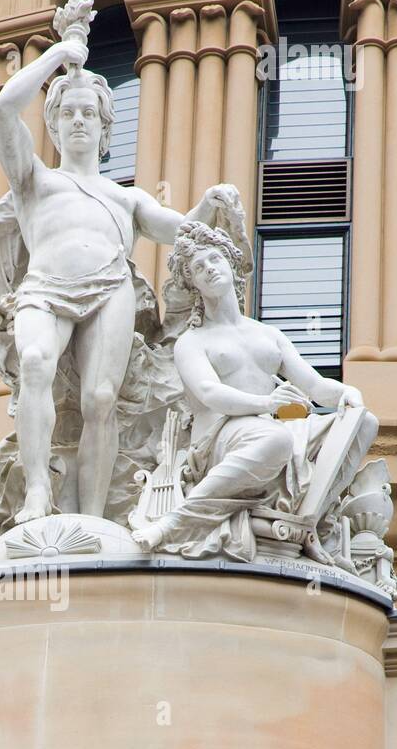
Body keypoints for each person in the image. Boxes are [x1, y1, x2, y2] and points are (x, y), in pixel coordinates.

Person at [0, 30, 244, 525]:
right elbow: (2, 110)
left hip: (109, 289)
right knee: (34, 361)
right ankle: (37, 493)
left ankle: (94, 519)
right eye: (68, 112)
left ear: (104, 128)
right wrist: (57, 56)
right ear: (51, 125)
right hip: (45, 289)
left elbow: (184, 231)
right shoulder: (35, 179)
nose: (78, 120)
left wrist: (213, 201)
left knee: (102, 399)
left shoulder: (127, 199)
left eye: (88, 113)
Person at [132, 221, 378, 563]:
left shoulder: (268, 334)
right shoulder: (192, 341)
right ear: (192, 284)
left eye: (214, 260)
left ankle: (311, 520)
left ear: (231, 266)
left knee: (364, 422)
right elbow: (209, 393)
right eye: (198, 268)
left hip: (272, 427)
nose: (208, 269)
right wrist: (268, 403)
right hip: (221, 436)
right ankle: (175, 522)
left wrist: (346, 393)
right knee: (275, 439)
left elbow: (315, 386)